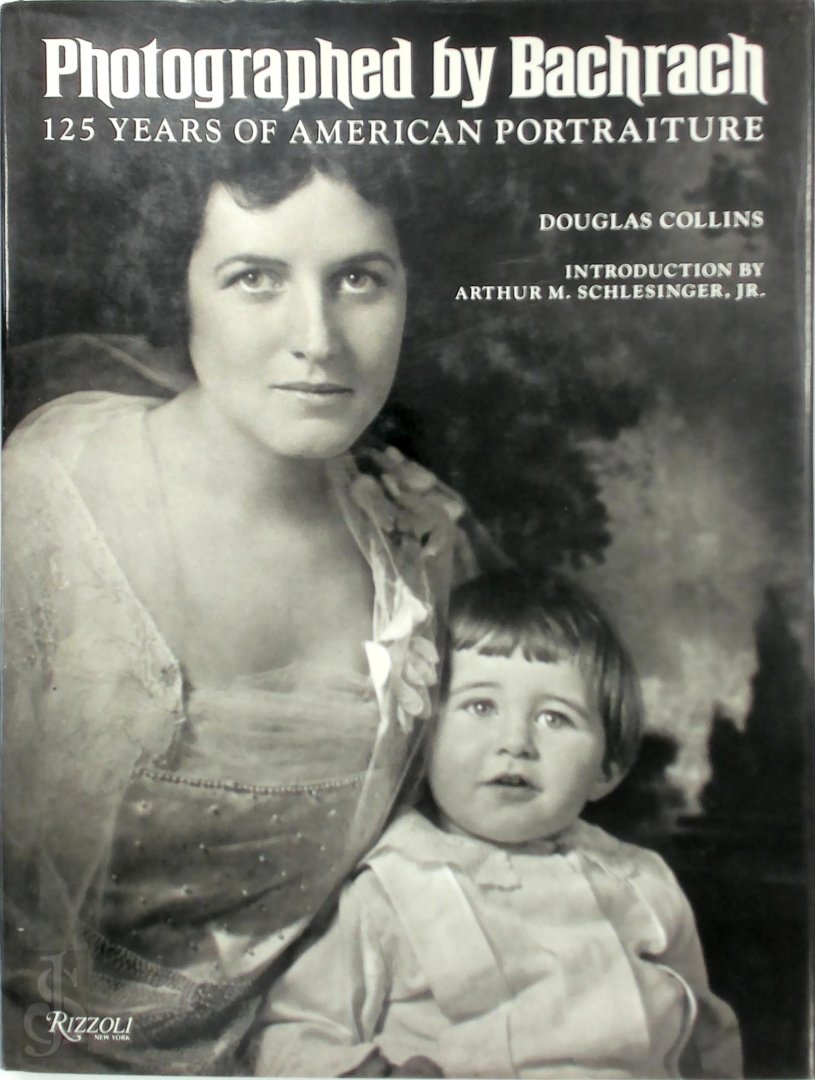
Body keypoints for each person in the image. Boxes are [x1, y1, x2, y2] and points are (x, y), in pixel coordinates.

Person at [1, 147, 488, 1072]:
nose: (318, 338)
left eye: (358, 279)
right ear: (178, 290)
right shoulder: (42, 503)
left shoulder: (417, 542)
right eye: (255, 278)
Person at [255, 571, 743, 1079]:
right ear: (423, 739)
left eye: (554, 718)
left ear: (607, 767)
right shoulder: (389, 888)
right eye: (480, 706)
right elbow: (294, 1034)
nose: (516, 742)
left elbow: (708, 1039)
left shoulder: (643, 884)